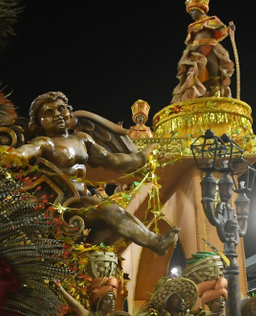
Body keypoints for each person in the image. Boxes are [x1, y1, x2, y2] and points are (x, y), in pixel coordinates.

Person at [14, 92, 179, 255]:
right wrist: (6, 153)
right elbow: (22, 153)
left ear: (69, 112)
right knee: (110, 211)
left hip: (81, 201)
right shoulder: (43, 143)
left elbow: (114, 161)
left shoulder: (82, 139)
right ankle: (155, 242)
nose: (57, 115)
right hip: (61, 206)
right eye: (49, 113)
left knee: (114, 227)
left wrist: (145, 154)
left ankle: (85, 255)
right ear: (39, 123)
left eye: (61, 109)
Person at [172, 0, 235, 103]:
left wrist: (230, 29)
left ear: (199, 10)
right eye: (190, 11)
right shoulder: (191, 26)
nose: (191, 14)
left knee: (214, 70)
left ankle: (216, 93)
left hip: (211, 47)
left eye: (193, 11)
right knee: (194, 73)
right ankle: (196, 96)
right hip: (196, 51)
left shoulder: (212, 20)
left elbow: (223, 30)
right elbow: (189, 42)